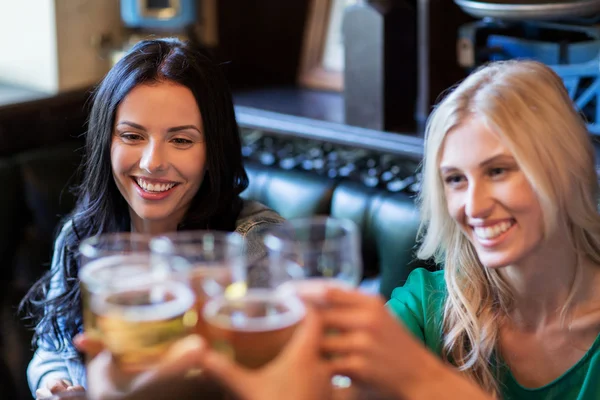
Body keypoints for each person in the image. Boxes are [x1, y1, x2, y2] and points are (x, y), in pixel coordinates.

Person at [319, 60, 600, 399]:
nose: (474, 206)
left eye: (497, 171)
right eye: (455, 179)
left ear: (563, 168)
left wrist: (425, 380)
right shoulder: (427, 306)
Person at [21, 37, 284, 399]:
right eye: (132, 135)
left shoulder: (255, 247)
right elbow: (51, 350)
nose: (151, 162)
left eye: (181, 140)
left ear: (214, 149)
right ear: (105, 142)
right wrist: (51, 385)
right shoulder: (79, 236)